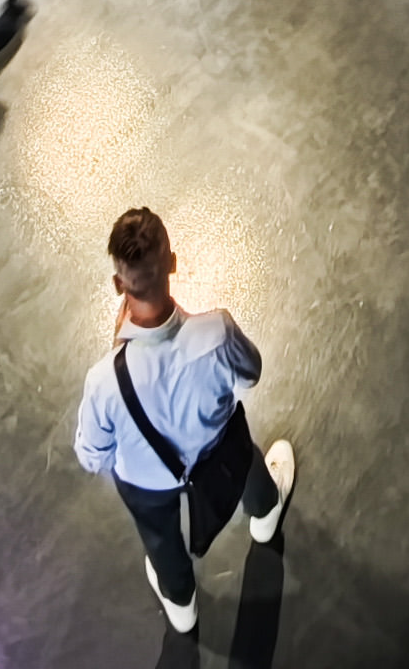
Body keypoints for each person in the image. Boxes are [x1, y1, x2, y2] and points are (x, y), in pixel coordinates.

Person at [74, 206, 297, 635]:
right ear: (173, 263)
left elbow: (91, 456)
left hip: (147, 484)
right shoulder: (217, 332)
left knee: (160, 539)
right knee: (244, 456)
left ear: (118, 285)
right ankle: (265, 512)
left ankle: (181, 603)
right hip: (219, 450)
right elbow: (251, 375)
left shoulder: (103, 382)